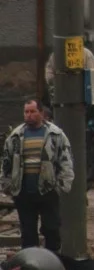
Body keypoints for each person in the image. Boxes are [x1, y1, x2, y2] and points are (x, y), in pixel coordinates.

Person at [1, 99, 74, 253]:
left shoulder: (55, 135)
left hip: (48, 190)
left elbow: (65, 162)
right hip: (23, 192)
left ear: (41, 113)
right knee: (28, 232)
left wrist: (61, 187)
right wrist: (8, 186)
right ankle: (31, 262)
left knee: (52, 229)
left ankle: (52, 259)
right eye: (26, 112)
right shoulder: (15, 136)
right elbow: (6, 164)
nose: (29, 115)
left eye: (33, 111)